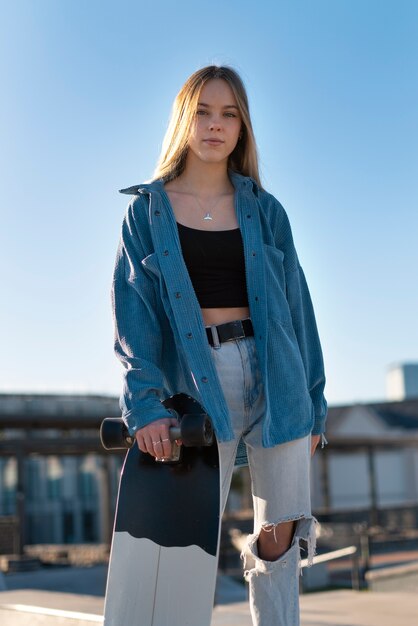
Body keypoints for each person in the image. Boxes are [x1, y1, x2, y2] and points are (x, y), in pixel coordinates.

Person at [111, 65, 328, 626]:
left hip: (277, 377)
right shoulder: (147, 212)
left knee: (279, 536)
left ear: (243, 127)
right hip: (198, 382)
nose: (215, 124)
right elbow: (134, 323)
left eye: (229, 114)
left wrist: (315, 401)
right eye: (203, 111)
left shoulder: (266, 210)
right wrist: (146, 405)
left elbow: (298, 311)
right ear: (184, 120)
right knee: (187, 541)